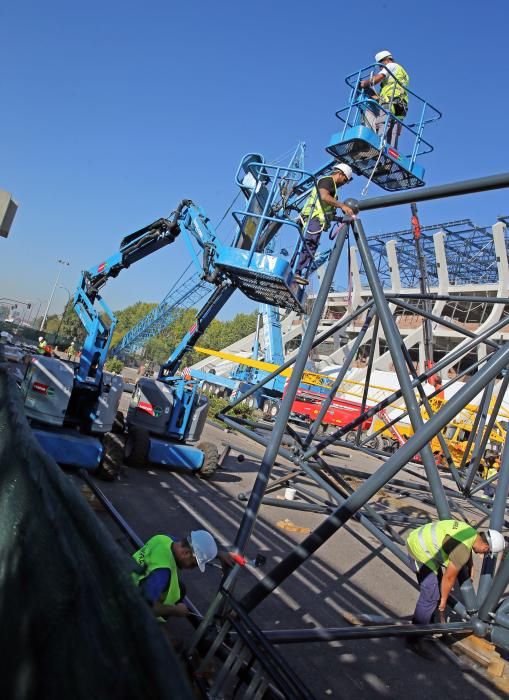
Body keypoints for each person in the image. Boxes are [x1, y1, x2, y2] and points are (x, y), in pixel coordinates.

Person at [406, 520, 505, 626]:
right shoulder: (461, 552)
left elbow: (466, 544)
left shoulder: (471, 532)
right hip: (419, 550)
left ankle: (428, 621)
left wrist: (470, 564)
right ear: (486, 547)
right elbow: (448, 578)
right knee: (431, 595)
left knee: (437, 589)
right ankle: (416, 631)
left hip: (420, 536)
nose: (483, 555)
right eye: (486, 553)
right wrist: (443, 600)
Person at [132, 530, 222, 618]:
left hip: (129, 573)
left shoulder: (165, 538)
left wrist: (220, 555)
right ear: (186, 553)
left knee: (181, 589)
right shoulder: (162, 573)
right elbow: (144, 607)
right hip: (129, 599)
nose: (191, 568)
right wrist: (174, 610)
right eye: (193, 564)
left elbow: (193, 545)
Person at [293, 163, 354, 284]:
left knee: (308, 245)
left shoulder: (333, 188)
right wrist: (342, 205)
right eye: (345, 179)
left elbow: (326, 212)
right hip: (313, 219)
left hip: (315, 219)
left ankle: (295, 271)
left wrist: (339, 219)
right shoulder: (328, 181)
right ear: (340, 174)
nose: (344, 183)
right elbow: (323, 196)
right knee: (309, 244)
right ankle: (295, 271)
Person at [360, 50, 409, 149]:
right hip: (401, 105)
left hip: (390, 102)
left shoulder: (390, 66)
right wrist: (375, 96)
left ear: (385, 60)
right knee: (394, 130)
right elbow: (391, 88)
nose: (381, 68)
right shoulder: (402, 72)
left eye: (380, 66)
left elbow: (377, 79)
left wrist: (364, 83)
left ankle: (377, 145)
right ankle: (392, 151)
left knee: (382, 122)